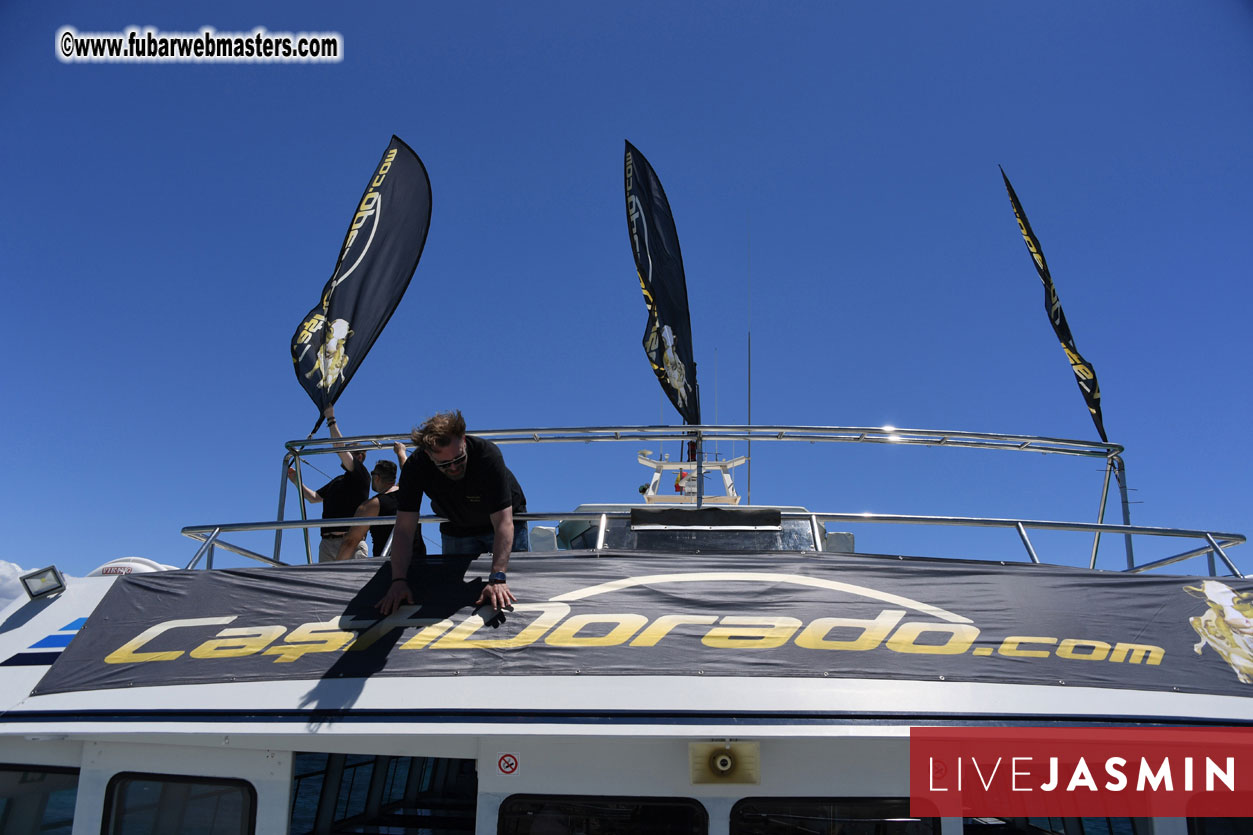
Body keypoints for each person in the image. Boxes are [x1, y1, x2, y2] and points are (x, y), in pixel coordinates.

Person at [376, 410, 528, 615]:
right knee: (451, 592)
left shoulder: (487, 454)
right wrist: (398, 581)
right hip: (457, 526)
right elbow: (404, 529)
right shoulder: (415, 467)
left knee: (513, 588)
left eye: (459, 459)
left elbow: (503, 523)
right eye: (445, 464)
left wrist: (498, 577)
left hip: (501, 520)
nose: (454, 467)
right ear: (429, 455)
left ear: (463, 441)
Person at [286, 404, 370, 562]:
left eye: (349, 453)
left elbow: (339, 447)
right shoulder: (338, 481)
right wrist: (296, 481)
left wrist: (331, 419)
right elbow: (313, 498)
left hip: (351, 542)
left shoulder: (362, 476)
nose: (344, 456)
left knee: (355, 586)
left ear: (358, 458)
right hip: (326, 543)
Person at [334, 441, 415, 560]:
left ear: (376, 477)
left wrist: (336, 570)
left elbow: (350, 542)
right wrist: (401, 452)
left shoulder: (372, 505)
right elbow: (409, 473)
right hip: (417, 560)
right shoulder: (407, 493)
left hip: (388, 565)